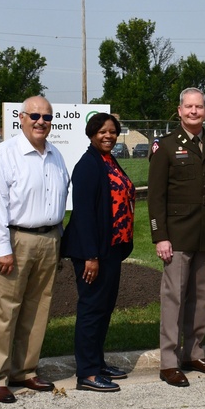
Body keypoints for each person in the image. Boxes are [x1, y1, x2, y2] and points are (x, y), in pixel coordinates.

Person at [0, 96, 70, 403]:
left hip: (48, 239)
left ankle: (25, 370)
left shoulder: (55, 155)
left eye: (47, 117)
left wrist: (58, 241)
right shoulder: (3, 154)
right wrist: (2, 248)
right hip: (14, 240)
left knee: (37, 308)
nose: (41, 122)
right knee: (4, 310)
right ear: (21, 118)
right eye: (35, 116)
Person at [149, 87, 205, 387]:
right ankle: (169, 361)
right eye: (188, 107)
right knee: (174, 299)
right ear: (179, 111)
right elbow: (156, 197)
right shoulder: (166, 146)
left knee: (200, 298)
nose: (194, 112)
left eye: (199, 107)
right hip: (178, 236)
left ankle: (194, 353)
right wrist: (160, 236)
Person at [62, 113, 135, 393]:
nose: (108, 136)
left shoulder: (108, 160)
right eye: (102, 131)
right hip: (93, 252)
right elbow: (84, 216)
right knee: (92, 309)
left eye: (113, 132)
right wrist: (91, 256)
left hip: (111, 249)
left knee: (104, 309)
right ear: (91, 133)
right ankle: (88, 373)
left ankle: (97, 361)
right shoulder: (88, 165)